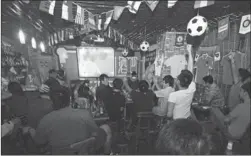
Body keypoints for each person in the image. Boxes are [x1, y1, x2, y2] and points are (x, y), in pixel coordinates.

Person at [34, 87, 112, 154]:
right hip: (83, 152)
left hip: (58, 152)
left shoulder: (45, 120)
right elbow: (94, 132)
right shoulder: (84, 114)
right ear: (70, 99)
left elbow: (39, 142)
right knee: (106, 128)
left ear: (51, 101)